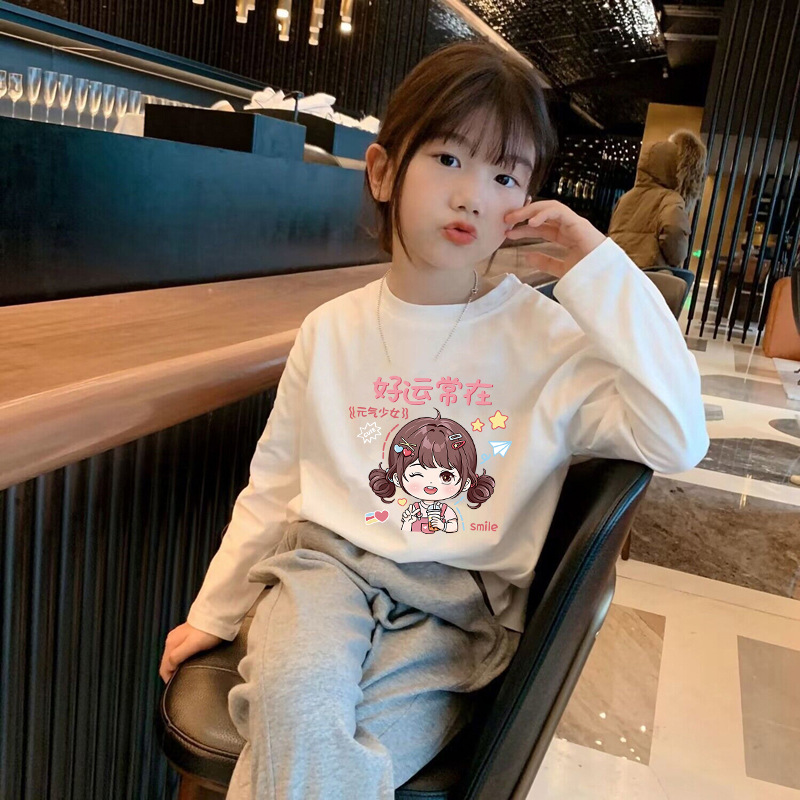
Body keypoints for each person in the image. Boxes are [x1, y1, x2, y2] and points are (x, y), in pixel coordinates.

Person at [159, 40, 710, 800]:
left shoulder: (547, 341)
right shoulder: (331, 330)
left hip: (456, 611)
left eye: (505, 176)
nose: (473, 195)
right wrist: (214, 612)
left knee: (340, 762)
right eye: (449, 158)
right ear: (383, 173)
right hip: (322, 575)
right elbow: (274, 485)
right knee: (298, 707)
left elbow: (679, 438)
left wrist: (599, 264)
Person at [608, 129, 707, 269]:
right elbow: (675, 238)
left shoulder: (626, 198)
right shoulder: (670, 200)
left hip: (618, 269)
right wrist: (675, 259)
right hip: (649, 272)